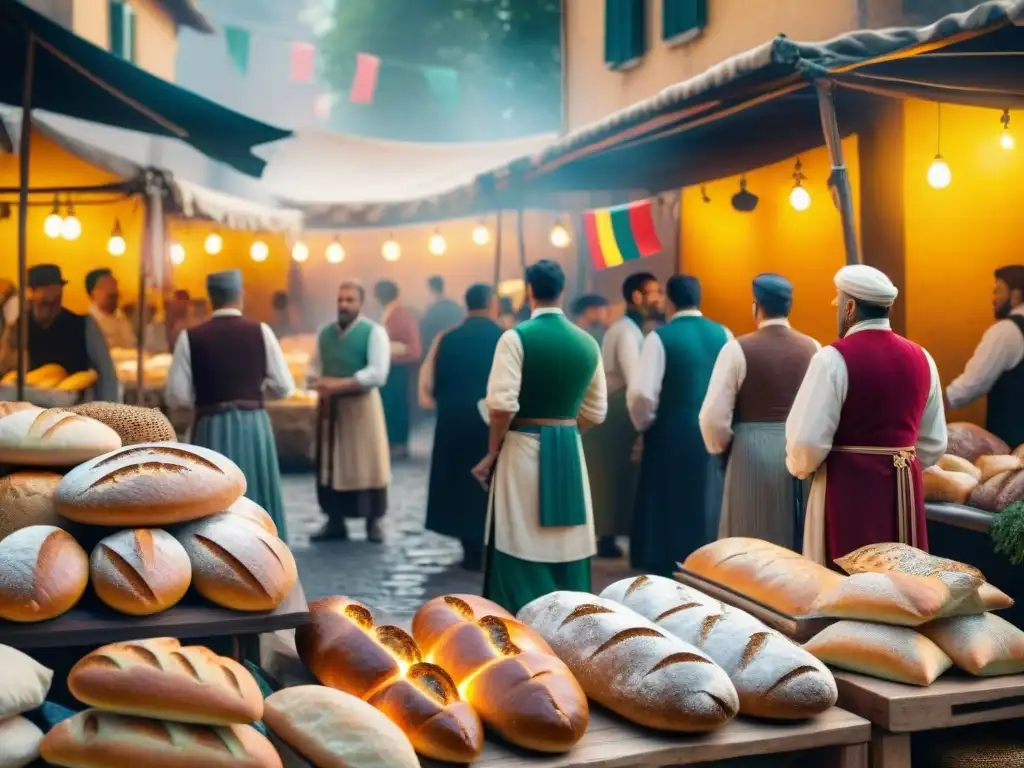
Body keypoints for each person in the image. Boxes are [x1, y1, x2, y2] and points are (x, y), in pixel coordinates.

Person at [786, 265, 947, 564]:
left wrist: (800, 467)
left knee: (843, 582)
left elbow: (806, 442)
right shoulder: (923, 357)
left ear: (849, 307)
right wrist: (898, 462)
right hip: (903, 491)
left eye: (838, 302)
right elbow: (934, 441)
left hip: (845, 488)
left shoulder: (832, 358)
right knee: (904, 583)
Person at [474, 259, 607, 613]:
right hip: (568, 446)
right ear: (562, 291)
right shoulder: (588, 343)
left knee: (518, 533)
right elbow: (596, 412)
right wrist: (564, 433)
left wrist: (492, 452)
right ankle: (572, 620)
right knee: (568, 540)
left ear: (529, 291)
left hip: (521, 445)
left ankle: (518, 618)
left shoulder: (515, 338)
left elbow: (501, 405)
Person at [164, 269, 295, 537]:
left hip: (210, 425)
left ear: (211, 298)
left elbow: (176, 395)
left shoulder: (191, 337)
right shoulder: (261, 331)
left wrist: (208, 395)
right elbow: (284, 386)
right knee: (257, 495)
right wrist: (252, 392)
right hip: (254, 425)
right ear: (240, 295)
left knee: (214, 503)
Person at [699, 274, 819, 550]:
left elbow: (712, 418)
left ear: (756, 306)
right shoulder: (813, 347)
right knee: (795, 541)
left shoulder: (736, 349)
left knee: (747, 542)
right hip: (798, 449)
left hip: (750, 450)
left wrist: (722, 447)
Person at [628, 274, 731, 576]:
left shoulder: (659, 337)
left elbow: (642, 394)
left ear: (670, 301)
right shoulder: (723, 334)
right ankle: (704, 560)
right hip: (711, 428)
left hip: (670, 428)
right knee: (705, 495)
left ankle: (665, 560)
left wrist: (644, 424)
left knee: (667, 496)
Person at [420, 283, 503, 571]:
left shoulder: (446, 338)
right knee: (488, 485)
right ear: (492, 304)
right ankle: (488, 545)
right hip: (490, 422)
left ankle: (469, 549)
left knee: (459, 484)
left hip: (453, 422)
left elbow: (428, 385)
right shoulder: (505, 338)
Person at [307, 280, 391, 543]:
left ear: (360, 303)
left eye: (350, 300)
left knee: (366, 464)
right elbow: (313, 369)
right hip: (331, 409)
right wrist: (317, 382)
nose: (344, 304)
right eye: (341, 299)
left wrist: (343, 383)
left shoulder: (373, 332)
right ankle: (335, 520)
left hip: (361, 407)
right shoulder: (324, 333)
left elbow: (378, 372)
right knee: (331, 465)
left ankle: (372, 522)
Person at [587, 272, 663, 558]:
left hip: (625, 409)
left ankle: (616, 537)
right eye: (653, 291)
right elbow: (635, 380)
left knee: (621, 479)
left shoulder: (636, 328)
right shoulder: (625, 331)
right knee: (611, 479)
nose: (659, 298)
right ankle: (606, 539)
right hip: (618, 411)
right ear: (637, 297)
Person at [0, 264, 118, 400]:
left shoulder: (83, 325)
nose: (50, 309)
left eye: (56, 302)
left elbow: (107, 374)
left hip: (75, 410)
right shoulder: (18, 327)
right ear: (30, 296)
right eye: (44, 303)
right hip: (24, 412)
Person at [946, 265, 1024, 447]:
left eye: (998, 291)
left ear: (1016, 295)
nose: (994, 298)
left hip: (1014, 449)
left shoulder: (1006, 331)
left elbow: (972, 384)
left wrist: (934, 405)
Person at [375, 280, 422, 458]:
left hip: (398, 366)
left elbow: (410, 345)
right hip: (393, 365)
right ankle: (394, 441)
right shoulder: (394, 312)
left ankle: (398, 442)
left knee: (397, 404)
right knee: (393, 404)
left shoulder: (399, 313)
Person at [86, 268, 136, 351]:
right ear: (93, 293)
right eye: (105, 287)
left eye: (114, 286)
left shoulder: (121, 317)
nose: (112, 291)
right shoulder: (89, 324)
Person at [420, 275, 464, 355]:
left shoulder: (432, 310)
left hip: (436, 350)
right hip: (456, 348)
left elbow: (424, 332)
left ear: (431, 288)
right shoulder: (455, 306)